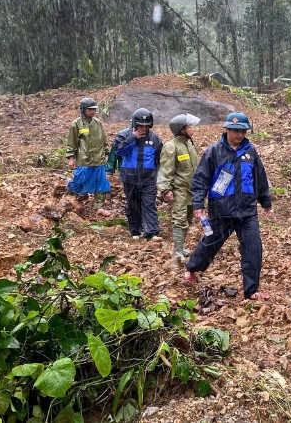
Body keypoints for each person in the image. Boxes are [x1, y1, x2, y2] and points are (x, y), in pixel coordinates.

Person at [184, 111, 272, 300]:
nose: (239, 135)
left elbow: (259, 178)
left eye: (242, 131)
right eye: (234, 131)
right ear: (226, 130)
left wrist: (265, 201)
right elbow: (200, 180)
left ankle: (252, 290)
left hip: (247, 211)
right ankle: (191, 268)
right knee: (210, 244)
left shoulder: (250, 152)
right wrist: (198, 204)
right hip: (221, 210)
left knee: (253, 248)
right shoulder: (214, 152)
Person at [113, 108, 163, 241]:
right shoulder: (123, 135)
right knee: (132, 204)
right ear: (135, 124)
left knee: (149, 204)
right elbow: (119, 151)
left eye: (147, 126)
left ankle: (152, 232)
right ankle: (135, 230)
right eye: (141, 125)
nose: (144, 128)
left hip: (148, 178)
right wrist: (132, 138)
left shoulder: (155, 139)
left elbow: (158, 159)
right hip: (130, 177)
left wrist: (155, 176)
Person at [158, 113, 201, 265]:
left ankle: (181, 247)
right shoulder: (171, 147)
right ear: (181, 129)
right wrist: (165, 190)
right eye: (189, 126)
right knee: (179, 219)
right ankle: (177, 250)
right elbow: (165, 170)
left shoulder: (189, 144)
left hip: (192, 189)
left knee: (188, 218)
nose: (192, 129)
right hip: (179, 190)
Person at [65, 97, 111, 213]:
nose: (93, 112)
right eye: (90, 109)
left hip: (99, 159)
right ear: (83, 109)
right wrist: (71, 158)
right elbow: (72, 143)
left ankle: (99, 206)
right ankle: (68, 198)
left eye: (94, 109)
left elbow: (103, 140)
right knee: (79, 180)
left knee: (101, 182)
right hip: (84, 159)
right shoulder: (76, 124)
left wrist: (106, 153)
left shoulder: (98, 123)